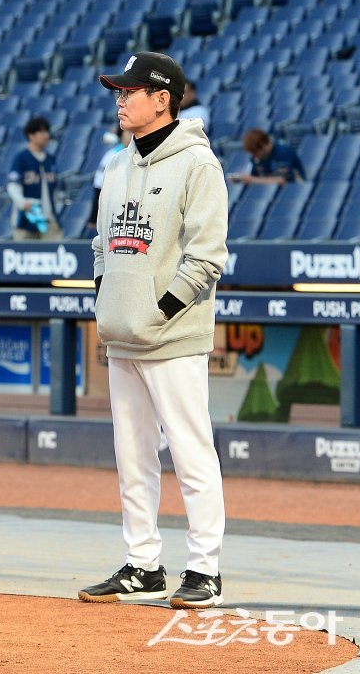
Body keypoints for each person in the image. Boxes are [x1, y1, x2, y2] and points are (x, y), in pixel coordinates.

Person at [82, 52, 228, 610]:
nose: (120, 100)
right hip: (123, 337)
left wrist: (160, 311)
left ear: (162, 99)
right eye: (118, 92)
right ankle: (143, 564)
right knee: (132, 457)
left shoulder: (198, 164)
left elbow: (207, 257)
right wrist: (108, 300)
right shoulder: (116, 164)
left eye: (130, 92)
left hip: (172, 338)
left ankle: (205, 568)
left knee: (192, 454)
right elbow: (101, 244)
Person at [6, 115, 63, 239]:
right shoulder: (21, 158)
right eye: (41, 132)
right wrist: (22, 202)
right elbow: (13, 185)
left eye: (47, 131)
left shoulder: (50, 159)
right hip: (25, 220)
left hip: (48, 219)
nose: (46, 135)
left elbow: (55, 190)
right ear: (31, 135)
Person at [88, 121, 131, 235]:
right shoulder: (111, 155)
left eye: (133, 132)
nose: (131, 136)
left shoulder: (144, 156)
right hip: (114, 209)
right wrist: (94, 217)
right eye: (128, 132)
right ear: (121, 134)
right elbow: (99, 186)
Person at [229, 127, 306, 185]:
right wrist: (242, 179)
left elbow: (282, 181)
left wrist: (251, 179)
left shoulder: (283, 153)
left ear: (263, 145)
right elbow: (254, 177)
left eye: (255, 152)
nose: (254, 155)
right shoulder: (257, 158)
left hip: (294, 188)